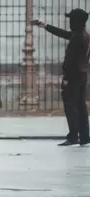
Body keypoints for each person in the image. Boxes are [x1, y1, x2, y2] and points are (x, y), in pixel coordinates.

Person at [32, 9, 90, 146]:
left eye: (71, 19)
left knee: (71, 106)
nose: (69, 22)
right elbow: (64, 34)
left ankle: (73, 137)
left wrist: (66, 77)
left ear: (76, 21)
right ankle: (85, 136)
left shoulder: (77, 38)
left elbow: (71, 60)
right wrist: (45, 26)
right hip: (82, 75)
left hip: (73, 76)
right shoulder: (84, 35)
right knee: (81, 106)